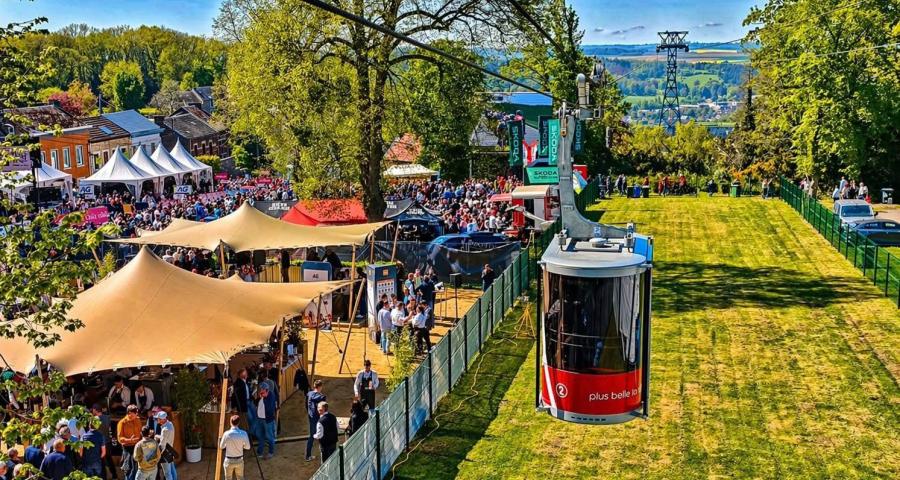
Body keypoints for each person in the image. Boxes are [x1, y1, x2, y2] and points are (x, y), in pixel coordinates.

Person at [91, 404, 119, 480]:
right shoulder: (107, 417)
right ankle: (115, 475)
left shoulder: (94, 419)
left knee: (101, 461)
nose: (92, 411)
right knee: (109, 459)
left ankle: (103, 477)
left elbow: (92, 431)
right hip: (107, 442)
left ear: (95, 410)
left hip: (99, 443)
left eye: (93, 409)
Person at [219, 415, 251, 480]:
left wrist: (226, 444)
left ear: (230, 422)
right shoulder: (243, 433)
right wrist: (242, 445)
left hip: (229, 461)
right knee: (240, 478)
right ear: (238, 423)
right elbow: (248, 447)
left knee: (228, 478)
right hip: (239, 460)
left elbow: (221, 447)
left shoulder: (226, 434)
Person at [117, 405, 143, 480]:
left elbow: (140, 432)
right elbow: (120, 439)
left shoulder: (137, 420)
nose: (137, 414)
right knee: (128, 469)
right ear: (130, 413)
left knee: (137, 468)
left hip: (137, 446)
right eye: (135, 413)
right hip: (127, 448)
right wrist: (130, 440)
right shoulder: (122, 423)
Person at [253, 383, 278, 459]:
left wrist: (264, 398)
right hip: (260, 419)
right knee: (260, 436)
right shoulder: (262, 395)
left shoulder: (271, 396)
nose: (260, 391)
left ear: (266, 390)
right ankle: (259, 452)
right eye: (260, 390)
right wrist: (260, 398)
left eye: (262, 390)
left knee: (270, 437)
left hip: (267, 420)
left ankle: (271, 452)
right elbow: (256, 403)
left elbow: (270, 408)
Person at [305, 380, 326, 462]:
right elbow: (323, 408)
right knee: (321, 434)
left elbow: (305, 404)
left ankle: (308, 455)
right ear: (320, 387)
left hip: (311, 417)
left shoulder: (309, 394)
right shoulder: (321, 396)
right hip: (318, 418)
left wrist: (309, 412)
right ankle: (323, 453)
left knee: (312, 435)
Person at [154, 411, 176, 480]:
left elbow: (162, 445)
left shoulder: (164, 430)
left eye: (158, 418)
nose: (157, 420)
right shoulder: (170, 424)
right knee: (172, 470)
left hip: (165, 453)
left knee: (167, 473)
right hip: (170, 450)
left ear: (163, 419)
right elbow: (166, 437)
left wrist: (156, 455)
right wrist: (159, 436)